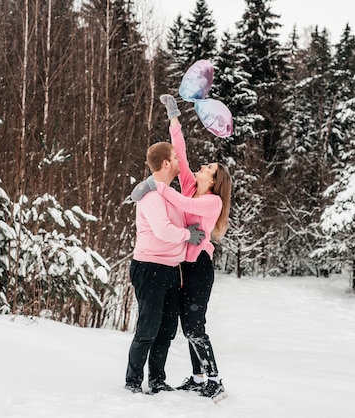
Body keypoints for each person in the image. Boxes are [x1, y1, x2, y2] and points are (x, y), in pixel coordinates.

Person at [131, 94, 232, 402]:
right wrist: (174, 117)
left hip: (199, 267)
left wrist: (155, 185)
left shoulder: (211, 201)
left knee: (194, 326)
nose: (201, 167)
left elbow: (184, 203)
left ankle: (214, 379)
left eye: (209, 168)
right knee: (186, 324)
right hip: (180, 266)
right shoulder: (189, 185)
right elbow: (182, 157)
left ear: (214, 181)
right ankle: (198, 376)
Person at [125, 140, 206, 395]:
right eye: (176, 158)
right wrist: (186, 235)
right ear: (165, 163)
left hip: (171, 270)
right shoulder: (150, 196)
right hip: (150, 268)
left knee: (167, 329)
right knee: (148, 327)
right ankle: (133, 381)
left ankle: (157, 380)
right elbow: (163, 231)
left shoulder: (170, 195)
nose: (180, 163)